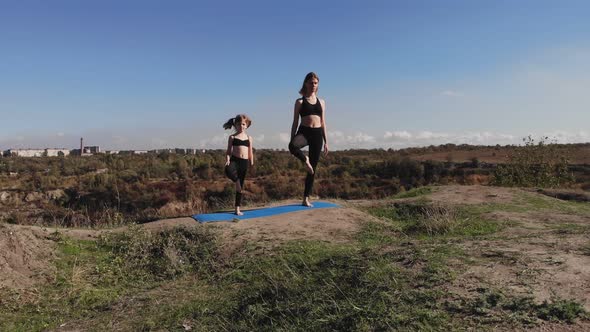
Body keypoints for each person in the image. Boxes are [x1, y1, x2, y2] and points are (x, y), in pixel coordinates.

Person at [288, 72, 329, 207]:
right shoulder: (299, 101)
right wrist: (292, 137)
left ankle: (306, 198)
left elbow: (323, 122)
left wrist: (326, 142)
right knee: (292, 146)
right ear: (306, 83)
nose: (313, 85)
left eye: (315, 83)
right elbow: (295, 122)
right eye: (311, 82)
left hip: (317, 134)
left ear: (318, 85)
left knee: (313, 169)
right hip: (304, 131)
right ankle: (305, 160)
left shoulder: (321, 102)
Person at [223, 114, 254, 215]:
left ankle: (237, 209)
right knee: (228, 170)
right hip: (234, 160)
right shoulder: (232, 137)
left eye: (243, 124)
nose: (241, 126)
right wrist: (227, 159)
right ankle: (236, 180)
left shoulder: (249, 138)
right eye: (239, 124)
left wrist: (251, 162)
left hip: (244, 163)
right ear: (235, 125)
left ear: (246, 125)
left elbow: (250, 152)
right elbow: (228, 152)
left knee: (239, 189)